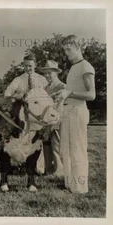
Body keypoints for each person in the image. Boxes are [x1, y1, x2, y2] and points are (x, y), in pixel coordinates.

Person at [57, 35, 96, 193]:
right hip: (68, 110)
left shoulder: (85, 66)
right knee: (65, 149)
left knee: (77, 149)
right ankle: (70, 183)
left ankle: (80, 187)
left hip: (78, 111)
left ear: (79, 48)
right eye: (64, 49)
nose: (66, 52)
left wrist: (69, 93)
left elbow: (91, 95)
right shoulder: (74, 67)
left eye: (69, 49)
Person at [39, 60, 66, 175]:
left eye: (50, 73)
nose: (47, 75)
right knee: (46, 144)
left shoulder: (63, 86)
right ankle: (48, 168)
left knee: (56, 144)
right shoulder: (45, 88)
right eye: (45, 73)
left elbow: (60, 105)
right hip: (46, 120)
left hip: (58, 119)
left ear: (56, 73)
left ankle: (59, 170)